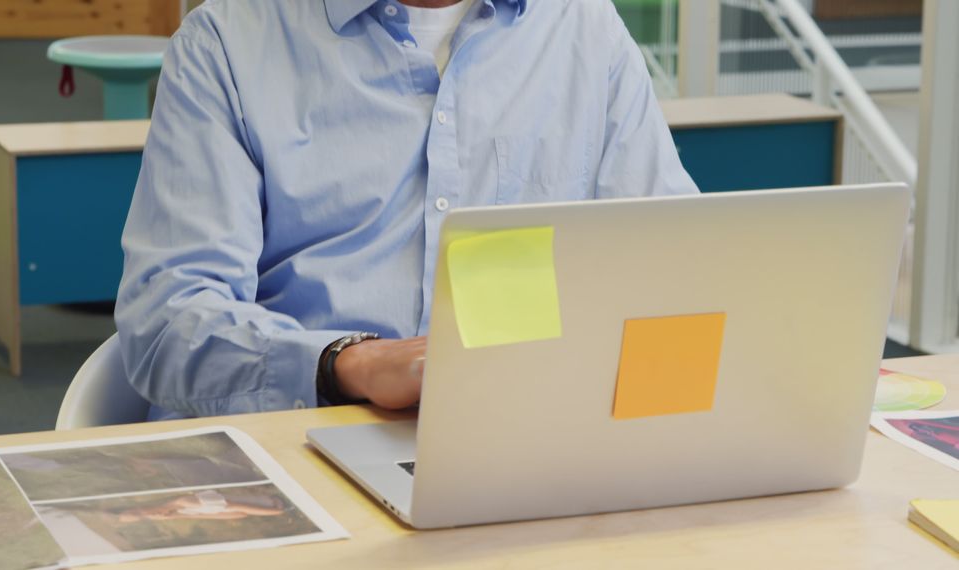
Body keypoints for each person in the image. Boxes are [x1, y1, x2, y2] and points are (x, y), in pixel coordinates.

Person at [116, 0, 699, 421]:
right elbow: (168, 322)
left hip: (520, 432)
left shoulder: (585, 29)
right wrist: (349, 363)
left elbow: (675, 271)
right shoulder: (224, 45)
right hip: (290, 441)